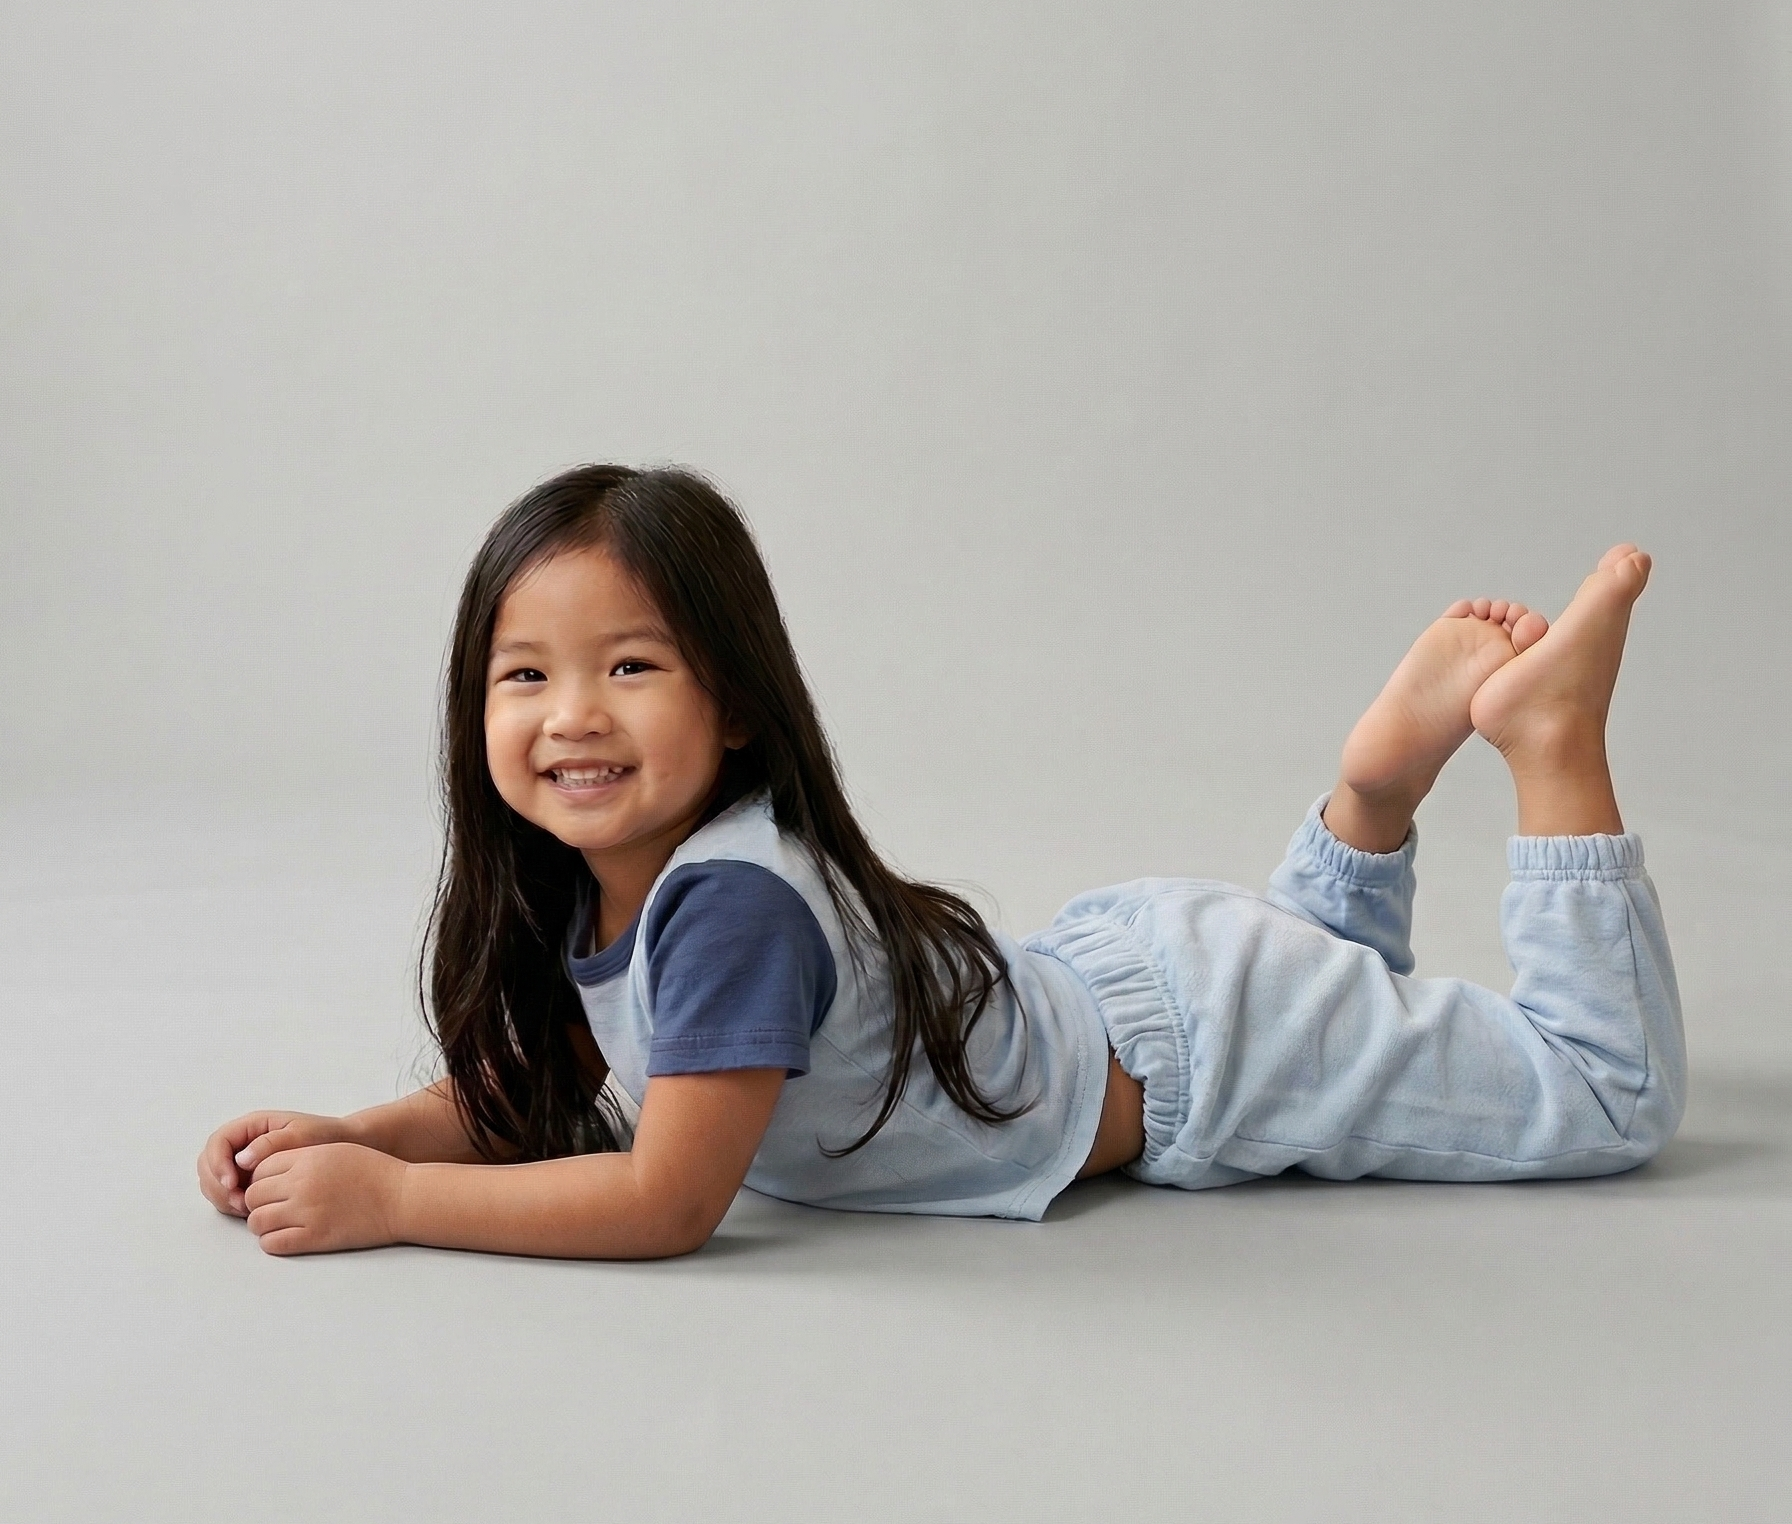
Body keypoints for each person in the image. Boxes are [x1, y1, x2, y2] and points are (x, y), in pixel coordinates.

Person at [197, 465, 1685, 1257]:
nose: (571, 715)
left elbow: (662, 1200)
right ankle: (1372, 789)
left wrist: (393, 1207)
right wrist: (358, 1133)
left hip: (1204, 1058)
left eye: (631, 664)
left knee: (1599, 1097)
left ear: (733, 705)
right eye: (523, 676)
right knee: (1336, 989)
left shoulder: (726, 905)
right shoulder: (602, 882)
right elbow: (565, 1094)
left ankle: (1549, 745)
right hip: (1132, 987)